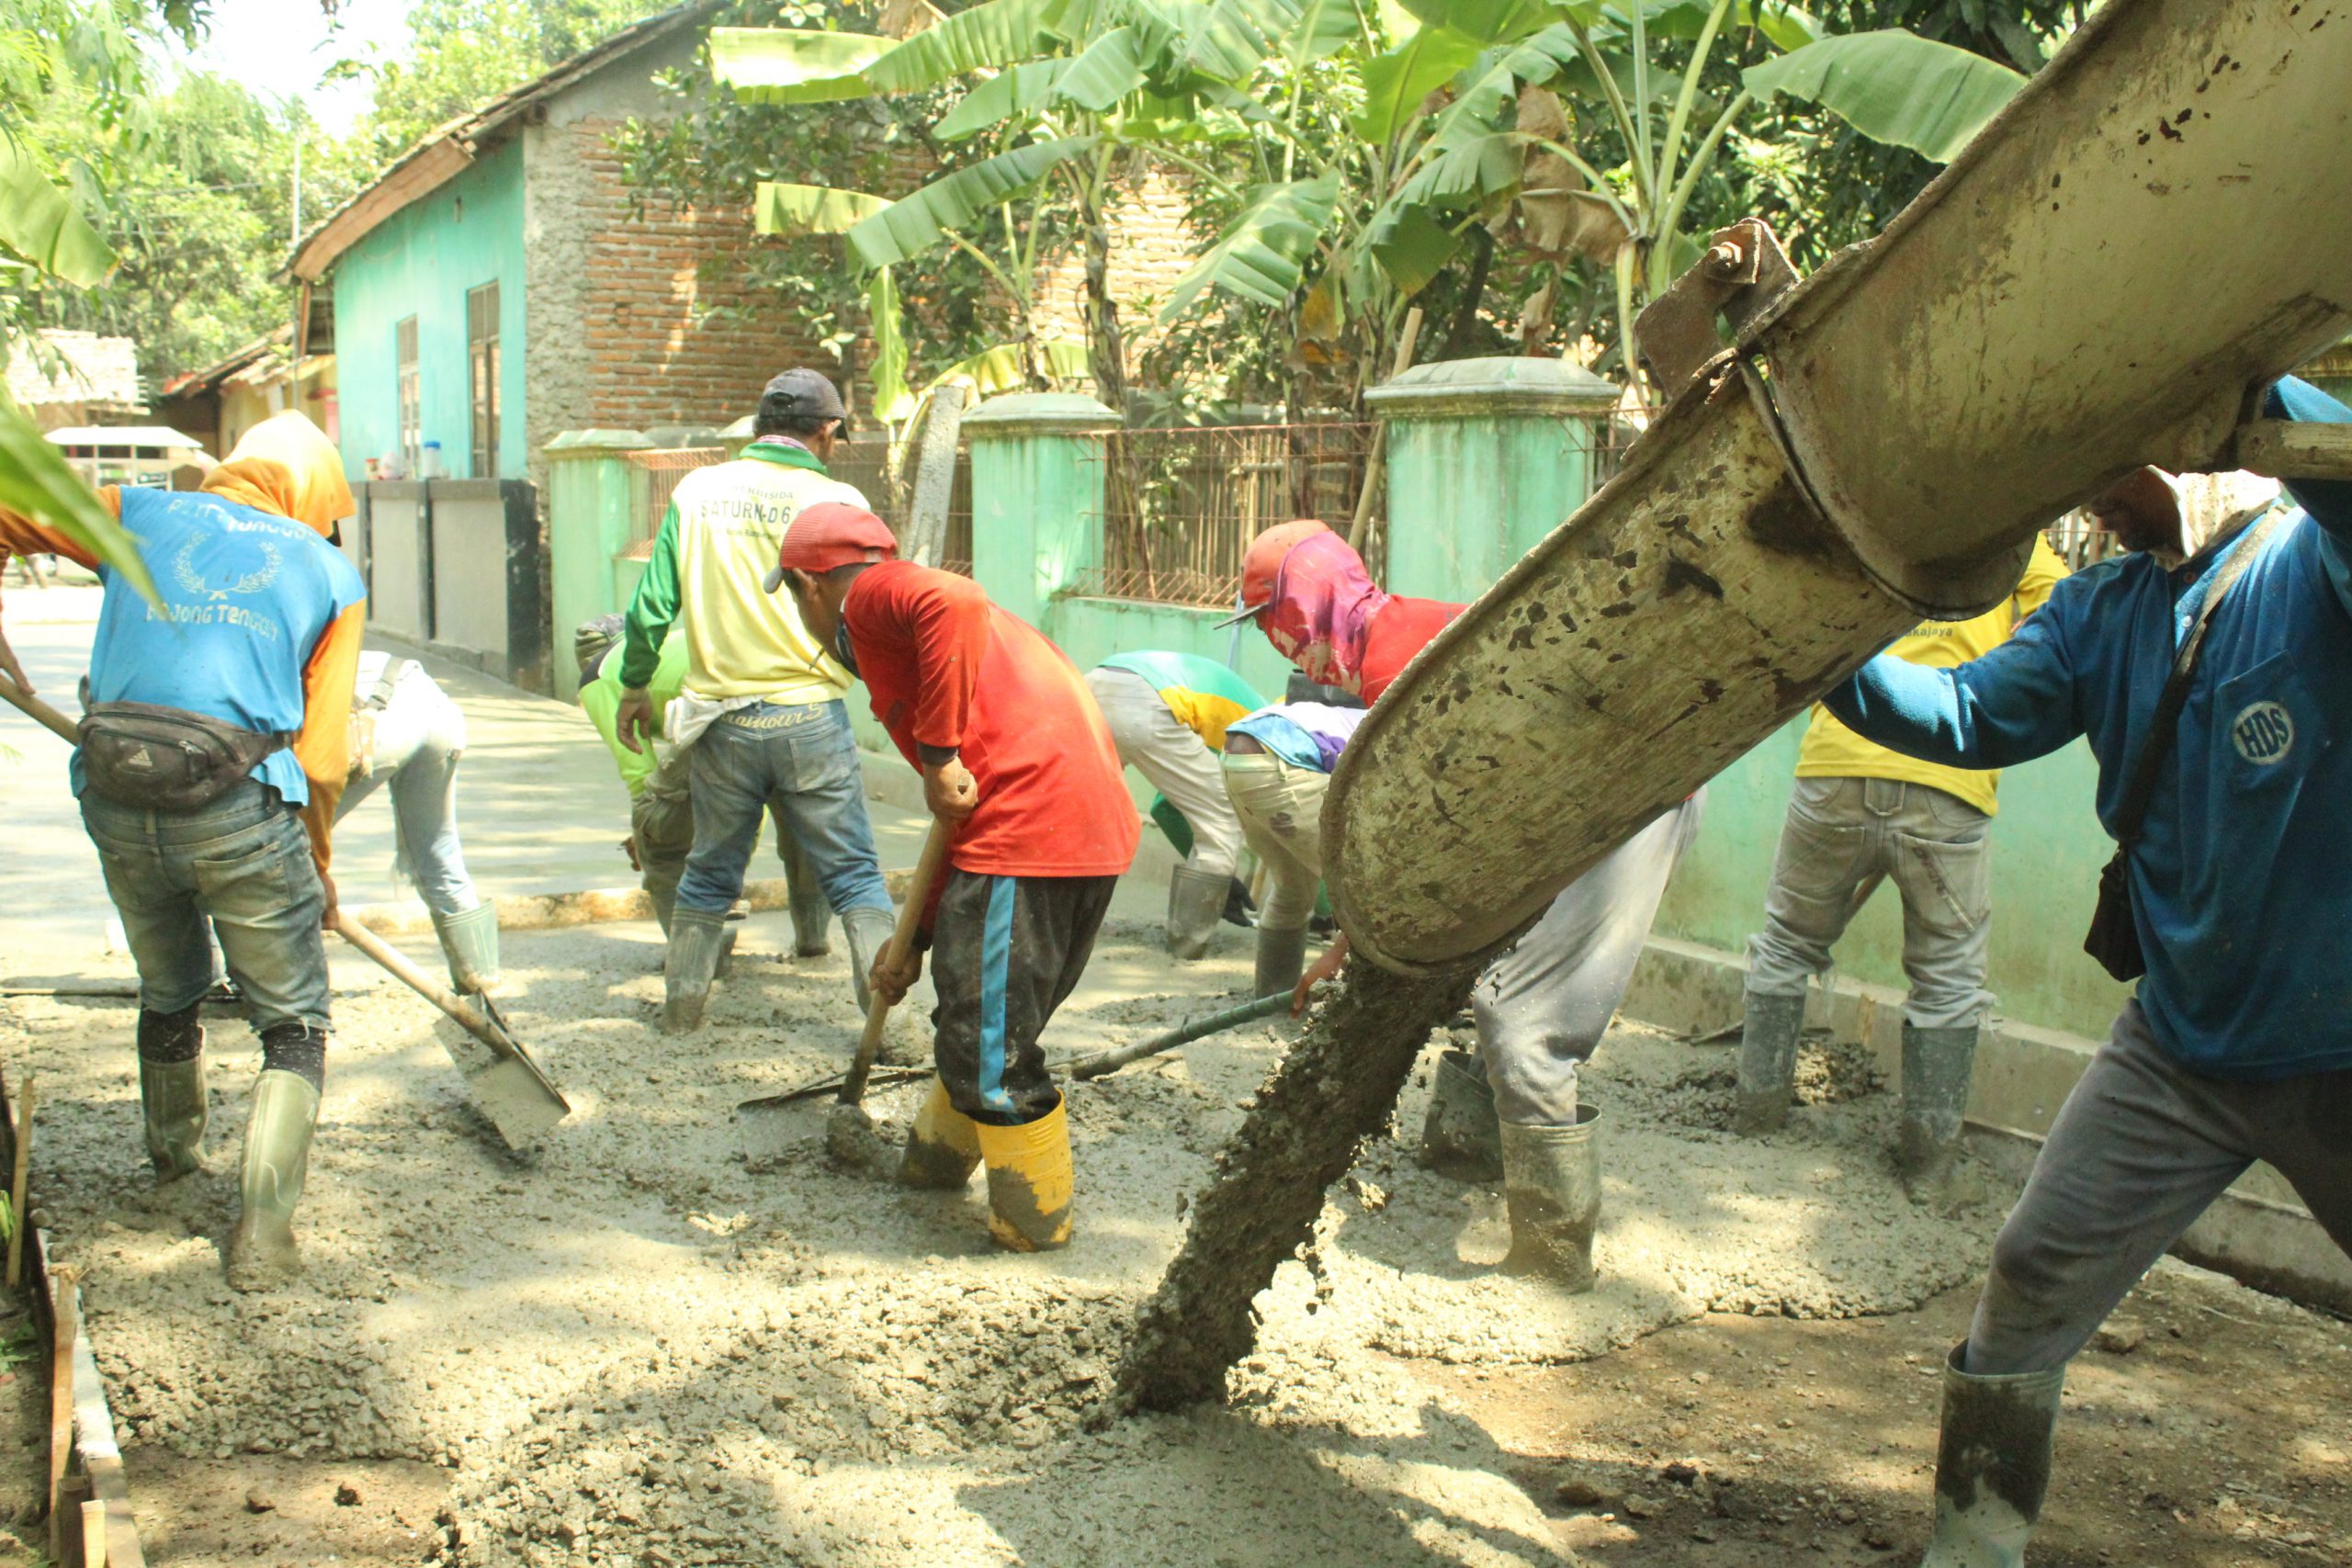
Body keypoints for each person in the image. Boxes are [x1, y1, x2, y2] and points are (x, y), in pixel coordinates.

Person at [1819, 377, 2352, 1567]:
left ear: (2175, 445)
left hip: (2340, 1054)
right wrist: (1814, 647)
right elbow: (1960, 712)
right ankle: (1972, 1547)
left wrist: (2252, 378)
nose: (2078, 498)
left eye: (2093, 462)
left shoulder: (2310, 568)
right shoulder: (2102, 608)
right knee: (2035, 1267)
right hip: (2179, 1047)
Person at [1219, 521, 1701, 1290]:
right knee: (1496, 965)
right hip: (1575, 801)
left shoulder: (1397, 663)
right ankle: (1475, 1151)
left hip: (1624, 802)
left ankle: (1555, 1260)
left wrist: (1342, 951)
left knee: (1526, 1021)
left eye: (1282, 622)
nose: (1284, 648)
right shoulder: (1395, 637)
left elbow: (1413, 845)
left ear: (1315, 603)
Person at [0, 412, 366, 1291]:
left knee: (171, 989)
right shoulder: (329, 571)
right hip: (244, 812)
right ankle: (264, 1236)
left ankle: (172, 1172)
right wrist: (316, 865)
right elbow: (321, 759)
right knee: (294, 1024)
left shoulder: (138, 511)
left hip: (118, 795)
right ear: (313, 495)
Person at [770, 502, 1138, 1252]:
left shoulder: (870, 597)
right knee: (982, 1028)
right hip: (1064, 830)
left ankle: (1036, 1230)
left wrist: (936, 755)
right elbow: (952, 825)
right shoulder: (938, 644)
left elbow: (954, 596)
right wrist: (919, 937)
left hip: (1029, 831)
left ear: (812, 586)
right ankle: (932, 1166)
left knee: (991, 1053)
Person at [1733, 536, 2070, 1206]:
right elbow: (2068, 616)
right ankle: (1929, 1170)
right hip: (1948, 771)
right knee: (1948, 978)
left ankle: (1755, 1121)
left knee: (1786, 947)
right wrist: (2005, 653)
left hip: (1837, 763)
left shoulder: (1873, 517)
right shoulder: (2010, 532)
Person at [611, 370, 896, 1032]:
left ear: (757, 425)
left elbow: (652, 606)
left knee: (708, 878)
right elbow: (875, 610)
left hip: (722, 719)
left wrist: (632, 683)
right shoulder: (841, 498)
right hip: (811, 719)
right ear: (824, 432)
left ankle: (681, 1013)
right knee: (854, 875)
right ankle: (886, 1024)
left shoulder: (697, 490)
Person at [575, 615, 832, 957]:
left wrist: (645, 831)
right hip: (799, 703)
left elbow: (638, 770)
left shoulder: (599, 675)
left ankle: (696, 957)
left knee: (661, 843)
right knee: (804, 827)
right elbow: (753, 798)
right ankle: (813, 939)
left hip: (722, 712)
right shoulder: (672, 642)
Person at [334, 651, 499, 993]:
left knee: (280, 849)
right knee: (439, 853)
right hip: (434, 707)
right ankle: (481, 981)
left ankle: (264, 991)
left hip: (373, 720)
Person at [1082, 650, 1264, 958]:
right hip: (1144, 703)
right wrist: (1215, 878)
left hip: (1093, 685)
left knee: (1082, 814)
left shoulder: (1237, 709)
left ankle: (1071, 925)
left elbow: (1164, 807)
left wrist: (1214, 878)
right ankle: (1187, 945)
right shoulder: (1268, 730)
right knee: (1222, 819)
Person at [1218, 699, 1367, 998]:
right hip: (1284, 759)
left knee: (1293, 888)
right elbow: (1377, 892)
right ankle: (1358, 1007)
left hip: (1237, 756)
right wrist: (1334, 957)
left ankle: (1273, 1000)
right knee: (1371, 886)